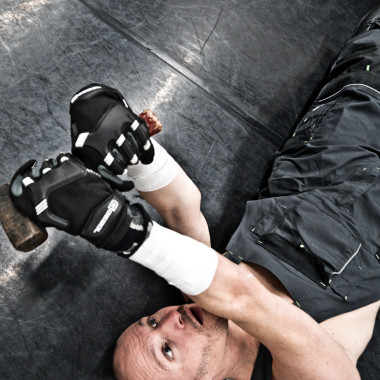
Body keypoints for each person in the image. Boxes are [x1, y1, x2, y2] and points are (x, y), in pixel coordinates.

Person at [9, 6, 380, 380]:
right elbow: (248, 302)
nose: (172, 320)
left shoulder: (201, 288)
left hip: (345, 119)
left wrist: (137, 153)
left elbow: (181, 209)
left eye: (152, 322)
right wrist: (125, 233)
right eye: (167, 350)